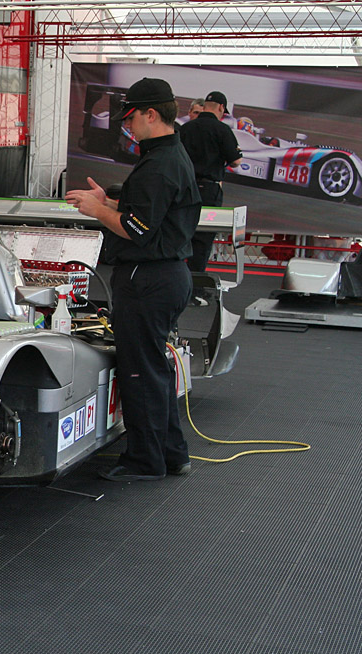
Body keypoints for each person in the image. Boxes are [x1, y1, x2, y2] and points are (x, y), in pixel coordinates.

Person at [65, 77, 201, 482]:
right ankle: (172, 453)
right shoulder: (171, 155)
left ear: (151, 114)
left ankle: (145, 460)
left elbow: (138, 229)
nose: (128, 126)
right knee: (153, 368)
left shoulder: (160, 164)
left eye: (132, 118)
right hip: (165, 275)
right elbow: (150, 212)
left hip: (149, 279)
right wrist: (110, 202)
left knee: (139, 372)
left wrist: (97, 211)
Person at [180, 91, 243, 305]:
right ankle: (195, 289)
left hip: (184, 189)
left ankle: (178, 284)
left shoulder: (186, 128)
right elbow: (235, 161)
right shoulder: (222, 130)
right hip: (208, 191)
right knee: (202, 240)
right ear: (222, 109)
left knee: (181, 235)